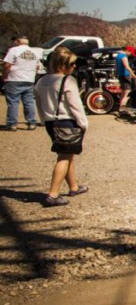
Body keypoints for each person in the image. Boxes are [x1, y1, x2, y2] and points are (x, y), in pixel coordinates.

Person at [34, 46, 89, 207]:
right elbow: (75, 106)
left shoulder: (41, 81)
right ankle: (53, 194)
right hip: (67, 121)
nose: (74, 67)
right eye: (71, 64)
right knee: (64, 157)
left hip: (51, 121)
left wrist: (44, 119)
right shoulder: (67, 81)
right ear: (62, 64)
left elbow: (38, 102)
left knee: (67, 154)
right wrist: (84, 124)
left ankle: (74, 187)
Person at [2, 34, 40, 130]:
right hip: (29, 79)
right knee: (29, 102)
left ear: (17, 41)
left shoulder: (14, 50)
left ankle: (12, 124)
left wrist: (4, 76)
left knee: (13, 102)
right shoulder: (34, 52)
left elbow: (7, 65)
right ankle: (32, 122)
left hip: (15, 78)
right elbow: (37, 66)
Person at [114, 45, 136, 113]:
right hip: (125, 75)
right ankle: (122, 109)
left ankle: (120, 108)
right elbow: (127, 67)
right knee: (127, 92)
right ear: (127, 51)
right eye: (130, 53)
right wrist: (133, 74)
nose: (130, 55)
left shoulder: (118, 56)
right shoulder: (123, 56)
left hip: (120, 75)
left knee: (123, 92)